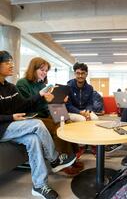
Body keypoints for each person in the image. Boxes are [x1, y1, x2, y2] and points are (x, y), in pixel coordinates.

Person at [0, 51, 77, 199]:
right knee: (37, 124)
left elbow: (24, 105)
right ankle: (55, 159)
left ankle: (39, 185)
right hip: (2, 127)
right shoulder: (20, 84)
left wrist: (40, 95)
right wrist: (10, 117)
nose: (11, 65)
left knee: (33, 140)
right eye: (7, 62)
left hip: (12, 126)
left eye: (12, 62)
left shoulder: (10, 87)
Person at [16, 57, 83, 176]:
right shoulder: (22, 83)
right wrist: (41, 96)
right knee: (58, 127)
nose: (44, 73)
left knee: (66, 122)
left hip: (45, 114)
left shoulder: (42, 84)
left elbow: (47, 105)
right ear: (33, 69)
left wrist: (59, 99)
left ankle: (72, 158)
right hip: (32, 117)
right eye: (42, 70)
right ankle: (61, 163)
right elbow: (25, 106)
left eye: (46, 71)